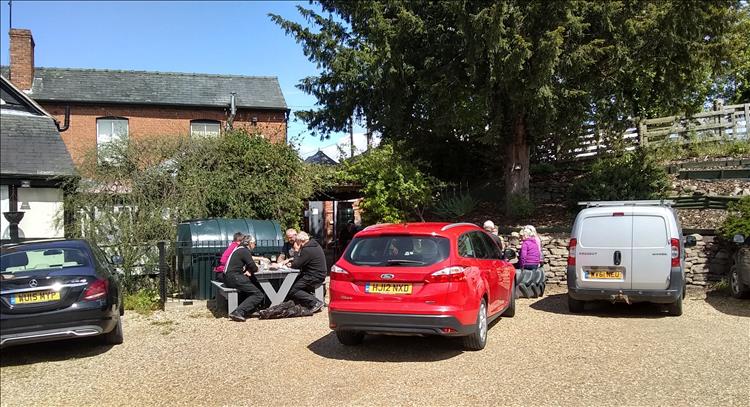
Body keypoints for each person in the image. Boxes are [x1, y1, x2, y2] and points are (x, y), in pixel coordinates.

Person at [223, 235, 265, 322]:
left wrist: (249, 269)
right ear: (250, 243)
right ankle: (238, 312)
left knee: (253, 284)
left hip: (229, 277)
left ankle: (250, 309)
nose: (255, 246)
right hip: (234, 277)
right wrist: (254, 268)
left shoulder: (239, 249)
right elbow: (254, 267)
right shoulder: (244, 251)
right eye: (254, 244)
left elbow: (246, 266)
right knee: (258, 294)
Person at [288, 231, 326, 312]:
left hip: (313, 276)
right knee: (296, 282)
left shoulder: (307, 249)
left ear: (301, 241)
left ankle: (315, 302)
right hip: (319, 273)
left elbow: (296, 265)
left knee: (293, 290)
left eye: (297, 242)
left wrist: (296, 250)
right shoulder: (315, 245)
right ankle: (307, 302)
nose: (296, 244)